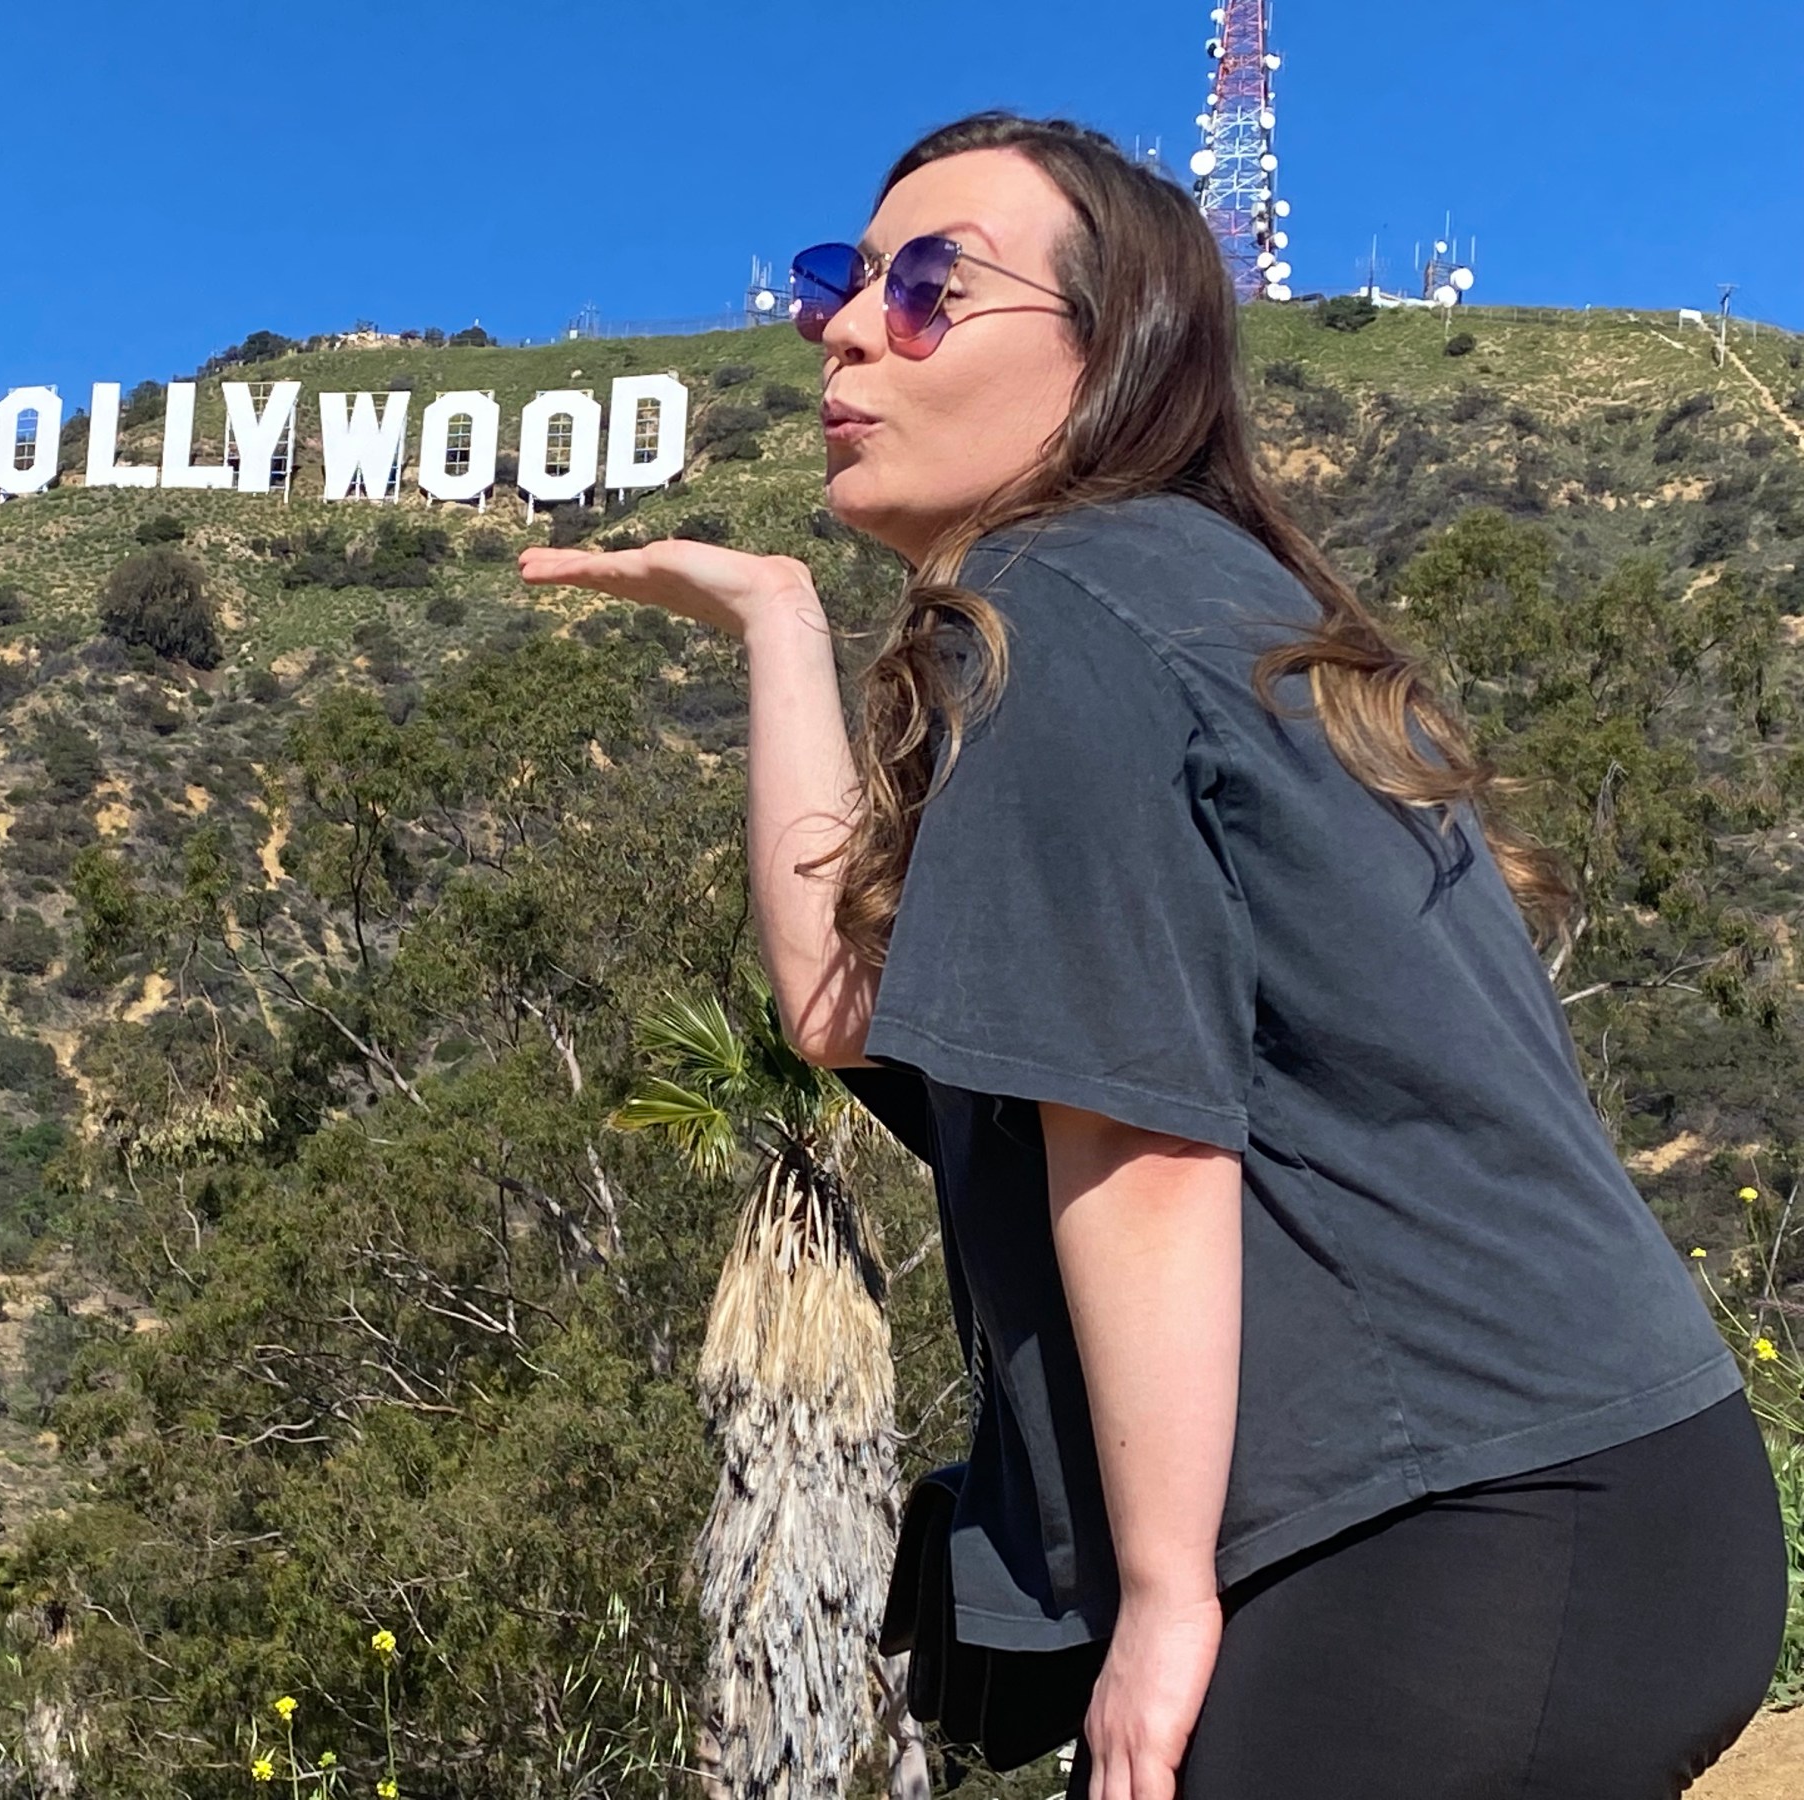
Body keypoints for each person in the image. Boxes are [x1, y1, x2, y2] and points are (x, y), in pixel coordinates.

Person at [518, 111, 1788, 1800]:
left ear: (1110, 356)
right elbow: (842, 1010)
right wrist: (775, 620)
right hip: (1583, 1493)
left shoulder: (1075, 609)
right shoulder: (1171, 599)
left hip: (1462, 1524)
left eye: (925, 287)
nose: (837, 323)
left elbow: (1143, 1140)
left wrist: (1167, 1605)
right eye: (843, 278)